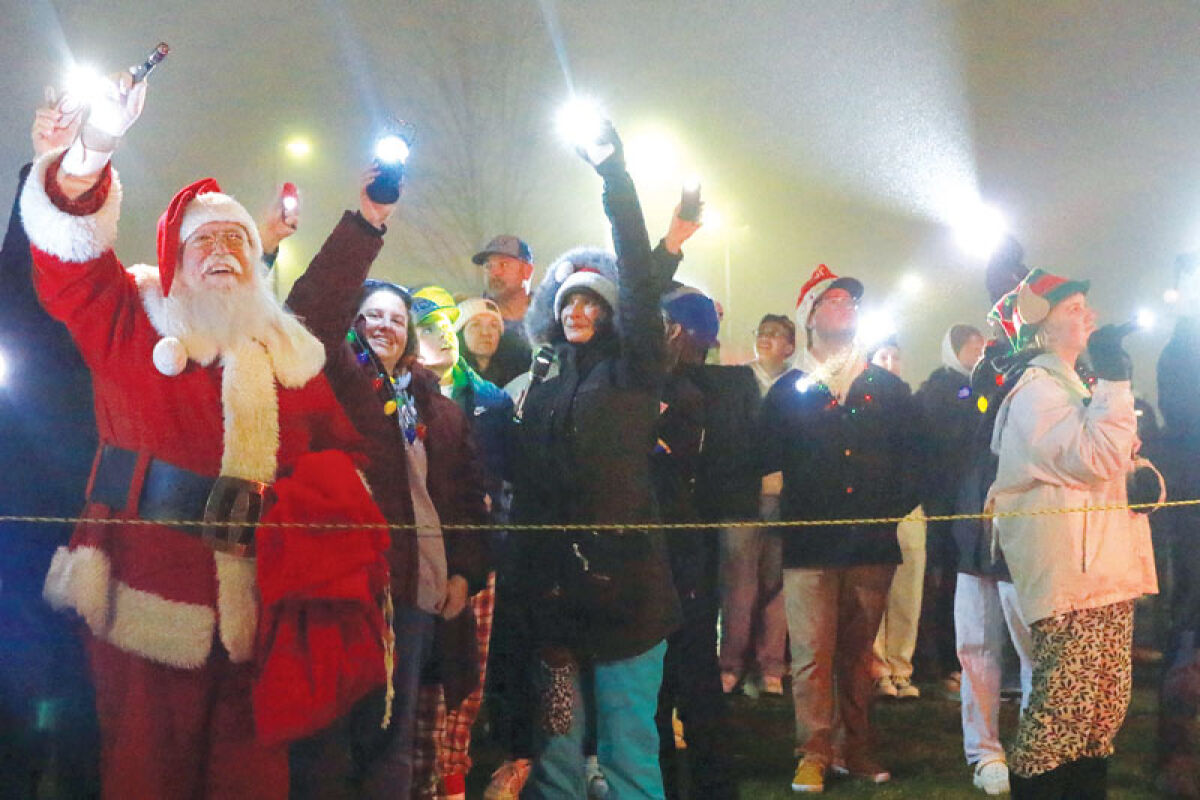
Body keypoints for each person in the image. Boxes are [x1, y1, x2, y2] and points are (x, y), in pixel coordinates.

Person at [22, 74, 379, 798]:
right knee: (142, 778)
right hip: (144, 605)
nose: (221, 251)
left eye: (235, 240)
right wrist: (92, 151)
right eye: (203, 240)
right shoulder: (131, 319)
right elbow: (69, 264)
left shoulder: (291, 357)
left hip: (256, 622)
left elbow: (345, 463)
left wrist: (311, 528)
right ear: (175, 261)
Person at [283, 171, 490, 798]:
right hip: (345, 589)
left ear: (411, 336)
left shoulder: (439, 410)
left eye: (396, 318)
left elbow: (463, 502)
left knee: (392, 743)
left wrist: (465, 573)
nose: (384, 326)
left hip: (413, 593)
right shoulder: (341, 382)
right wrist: (368, 223)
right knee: (331, 737)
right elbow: (312, 310)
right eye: (370, 315)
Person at [510, 121, 680, 799]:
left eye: (590, 300)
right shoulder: (546, 385)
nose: (578, 308)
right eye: (567, 300)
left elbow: (638, 281)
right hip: (555, 591)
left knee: (627, 742)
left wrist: (617, 179)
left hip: (630, 588)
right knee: (557, 741)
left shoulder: (636, 370)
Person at [989, 268, 1157, 797]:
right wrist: (1115, 378)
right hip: (1071, 577)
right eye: (1072, 307)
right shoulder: (1036, 392)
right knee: (1061, 716)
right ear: (1040, 328)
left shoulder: (1075, 386)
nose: (1087, 313)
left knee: (1100, 714)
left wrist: (1145, 478)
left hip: (1103, 571)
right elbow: (1093, 457)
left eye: (1087, 302)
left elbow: (1115, 463)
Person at [759, 264, 921, 793]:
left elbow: (917, 460)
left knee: (859, 655)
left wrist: (890, 508)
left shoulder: (888, 388)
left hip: (872, 546)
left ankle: (857, 744)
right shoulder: (786, 392)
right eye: (832, 301)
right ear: (809, 316)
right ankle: (813, 751)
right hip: (809, 547)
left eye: (851, 301)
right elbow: (764, 463)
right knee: (810, 655)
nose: (845, 307)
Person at [0, 96, 99, 799]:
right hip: (15, 533)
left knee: (77, 716)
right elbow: (15, 270)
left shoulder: (107, 305)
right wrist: (42, 169)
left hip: (88, 537)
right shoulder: (17, 306)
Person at [407, 284, 512, 800]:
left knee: (467, 669)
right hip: (420, 545)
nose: (441, 334)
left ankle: (452, 775)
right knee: (420, 672)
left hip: (473, 544)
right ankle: (419, 776)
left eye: (447, 323)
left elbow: (502, 477)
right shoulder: (400, 398)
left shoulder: (489, 399)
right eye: (426, 327)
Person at [933, 315, 1035, 797]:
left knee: (1034, 650)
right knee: (975, 650)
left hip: (1023, 539)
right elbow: (957, 449)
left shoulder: (1039, 387)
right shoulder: (963, 400)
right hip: (974, 537)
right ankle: (985, 751)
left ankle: (1037, 747)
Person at [653, 284, 740, 800]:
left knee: (683, 678)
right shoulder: (706, 387)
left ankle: (698, 783)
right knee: (677, 681)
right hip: (678, 546)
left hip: (681, 546)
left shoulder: (698, 391)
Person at [719, 314, 793, 696]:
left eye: (776, 335)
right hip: (741, 500)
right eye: (761, 332)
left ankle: (771, 666)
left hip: (785, 501)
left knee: (776, 586)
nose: (766, 339)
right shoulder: (735, 382)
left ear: (791, 346)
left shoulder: (797, 386)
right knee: (738, 586)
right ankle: (731, 663)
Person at [1155, 253, 1200, 796]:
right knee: (1189, 629)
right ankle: (1177, 758)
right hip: (1194, 508)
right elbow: (1184, 415)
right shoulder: (1180, 350)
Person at [866, 337, 926, 702]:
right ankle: (876, 668)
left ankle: (902, 666)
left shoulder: (912, 402)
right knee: (874, 591)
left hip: (910, 508)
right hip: (873, 507)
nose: (889, 362)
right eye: (882, 356)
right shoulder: (861, 402)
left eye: (895, 357)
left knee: (907, 592)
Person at [457, 295, 527, 388]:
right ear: (460, 333)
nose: (486, 333)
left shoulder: (516, 376)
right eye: (475, 325)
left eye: (493, 326)